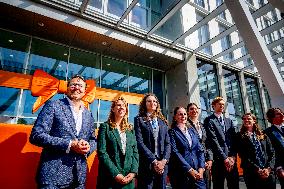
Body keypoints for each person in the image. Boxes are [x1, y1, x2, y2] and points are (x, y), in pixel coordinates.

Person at [29, 74, 97, 189]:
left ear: (85, 90)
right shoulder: (53, 105)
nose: (76, 87)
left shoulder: (88, 114)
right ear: (67, 88)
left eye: (80, 86)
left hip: (78, 178)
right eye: (73, 85)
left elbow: (93, 139)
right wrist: (70, 144)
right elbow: (36, 135)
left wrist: (89, 147)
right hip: (52, 177)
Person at [96, 96, 139, 189]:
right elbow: (102, 152)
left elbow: (135, 152)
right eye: (118, 105)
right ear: (113, 109)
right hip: (110, 178)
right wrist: (116, 173)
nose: (122, 107)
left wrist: (133, 172)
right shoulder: (105, 127)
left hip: (128, 179)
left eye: (124, 106)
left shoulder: (130, 129)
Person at [134, 93, 171, 189]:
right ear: (144, 104)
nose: (152, 103)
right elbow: (139, 142)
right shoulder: (139, 120)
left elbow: (168, 143)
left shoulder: (163, 122)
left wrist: (163, 161)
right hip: (147, 164)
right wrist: (154, 161)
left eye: (154, 101)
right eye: (149, 101)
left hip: (162, 166)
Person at [203, 97, 239, 189]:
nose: (222, 106)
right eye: (220, 104)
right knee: (218, 185)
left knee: (234, 184)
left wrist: (233, 157)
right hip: (218, 159)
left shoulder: (229, 121)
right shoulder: (209, 120)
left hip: (231, 160)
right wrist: (225, 158)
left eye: (223, 104)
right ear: (213, 106)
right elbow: (213, 140)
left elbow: (234, 140)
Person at [169, 106, 206, 189]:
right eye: (180, 114)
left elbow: (200, 150)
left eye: (185, 114)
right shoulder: (172, 132)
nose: (183, 116)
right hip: (181, 173)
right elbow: (175, 152)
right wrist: (190, 169)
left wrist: (201, 168)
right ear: (175, 117)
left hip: (197, 172)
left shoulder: (192, 130)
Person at [237, 113, 275, 189]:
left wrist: (268, 168)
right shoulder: (239, 136)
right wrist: (257, 169)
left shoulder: (263, 135)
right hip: (252, 173)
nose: (246, 120)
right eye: (244, 119)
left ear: (254, 121)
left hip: (268, 173)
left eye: (248, 119)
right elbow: (243, 156)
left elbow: (272, 153)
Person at [187, 103, 213, 189]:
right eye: (191, 109)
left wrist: (209, 159)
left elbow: (207, 143)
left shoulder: (202, 125)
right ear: (188, 112)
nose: (194, 110)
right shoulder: (186, 125)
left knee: (207, 185)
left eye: (196, 109)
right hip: (194, 161)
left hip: (206, 161)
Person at [264, 107, 284, 189]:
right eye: (278, 114)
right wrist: (279, 167)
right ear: (272, 117)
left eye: (282, 113)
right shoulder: (267, 132)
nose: (282, 115)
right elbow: (271, 152)